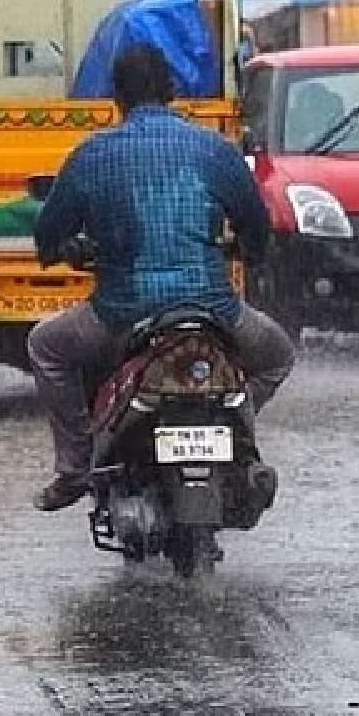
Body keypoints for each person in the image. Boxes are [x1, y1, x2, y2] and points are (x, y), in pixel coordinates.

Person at [27, 44, 296, 513]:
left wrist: (65, 250)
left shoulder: (91, 155)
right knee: (277, 354)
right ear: (172, 92)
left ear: (116, 98)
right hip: (214, 312)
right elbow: (256, 228)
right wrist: (245, 251)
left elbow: (48, 235)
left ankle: (74, 470)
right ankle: (241, 440)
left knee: (45, 347)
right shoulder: (215, 149)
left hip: (120, 312)